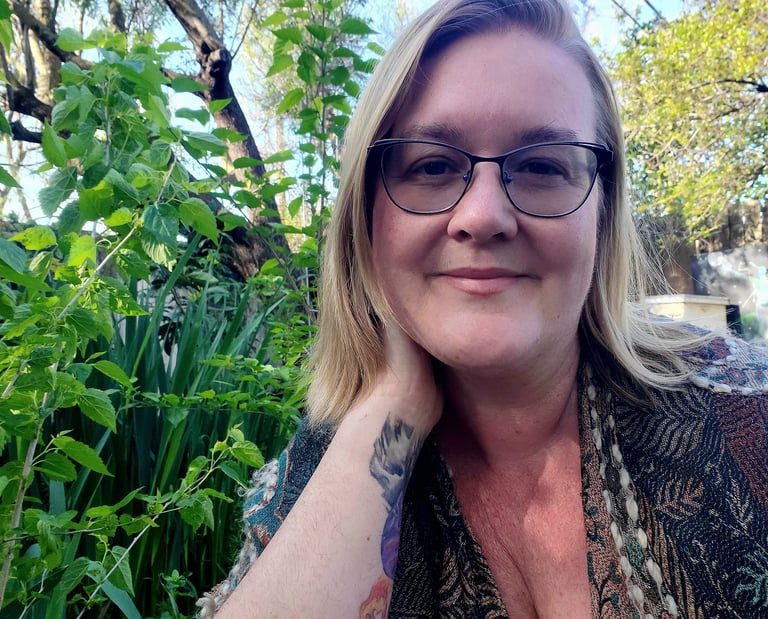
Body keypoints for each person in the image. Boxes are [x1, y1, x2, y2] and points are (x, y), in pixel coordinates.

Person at [198, 0, 768, 617]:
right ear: (365, 218)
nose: (483, 216)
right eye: (432, 166)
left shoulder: (748, 414)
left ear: (603, 212)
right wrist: (393, 402)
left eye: (542, 165)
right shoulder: (317, 473)